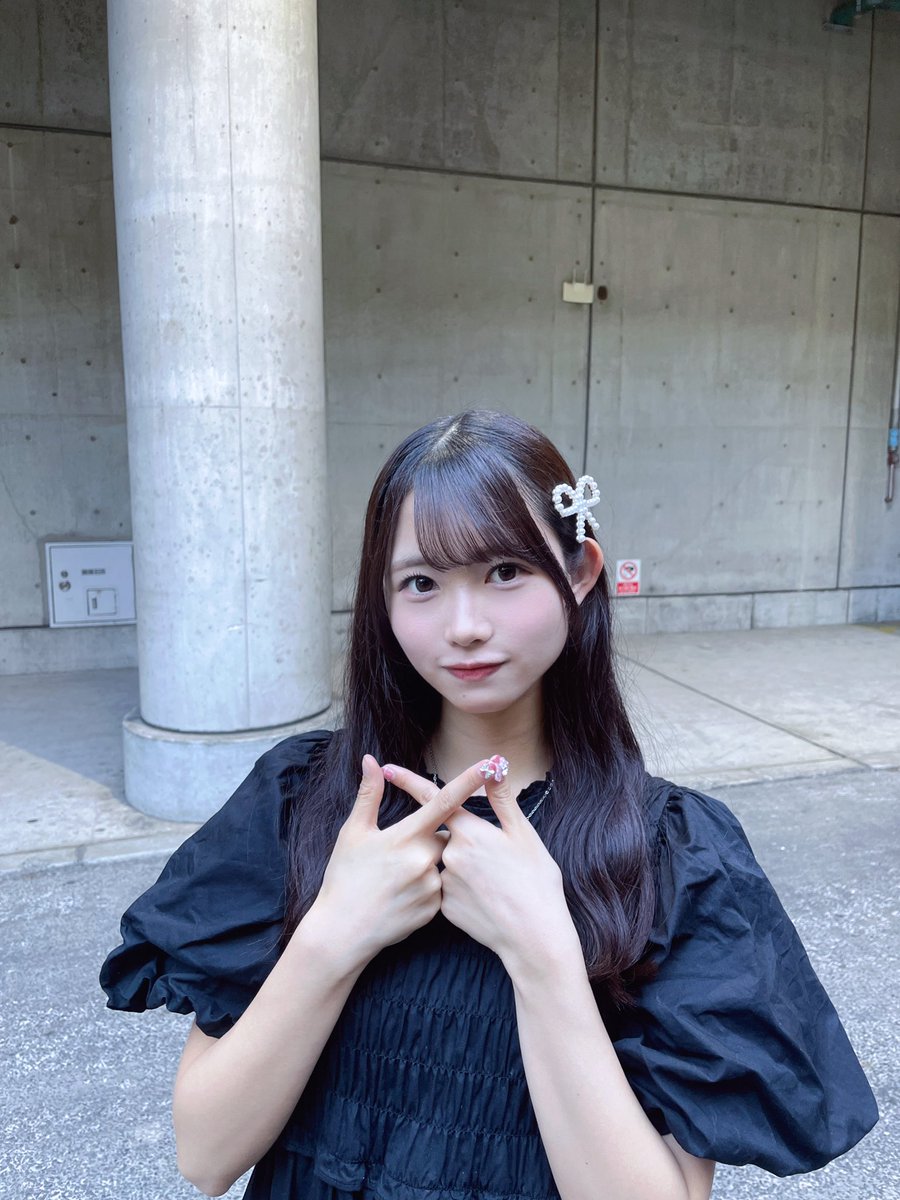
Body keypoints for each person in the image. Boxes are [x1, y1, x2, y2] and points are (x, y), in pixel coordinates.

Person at [101, 409, 878, 1200]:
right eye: (422, 584)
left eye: (505, 572)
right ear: (383, 600)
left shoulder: (667, 853)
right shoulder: (303, 802)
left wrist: (541, 952)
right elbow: (205, 1155)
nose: (465, 627)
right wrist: (334, 932)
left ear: (580, 573)